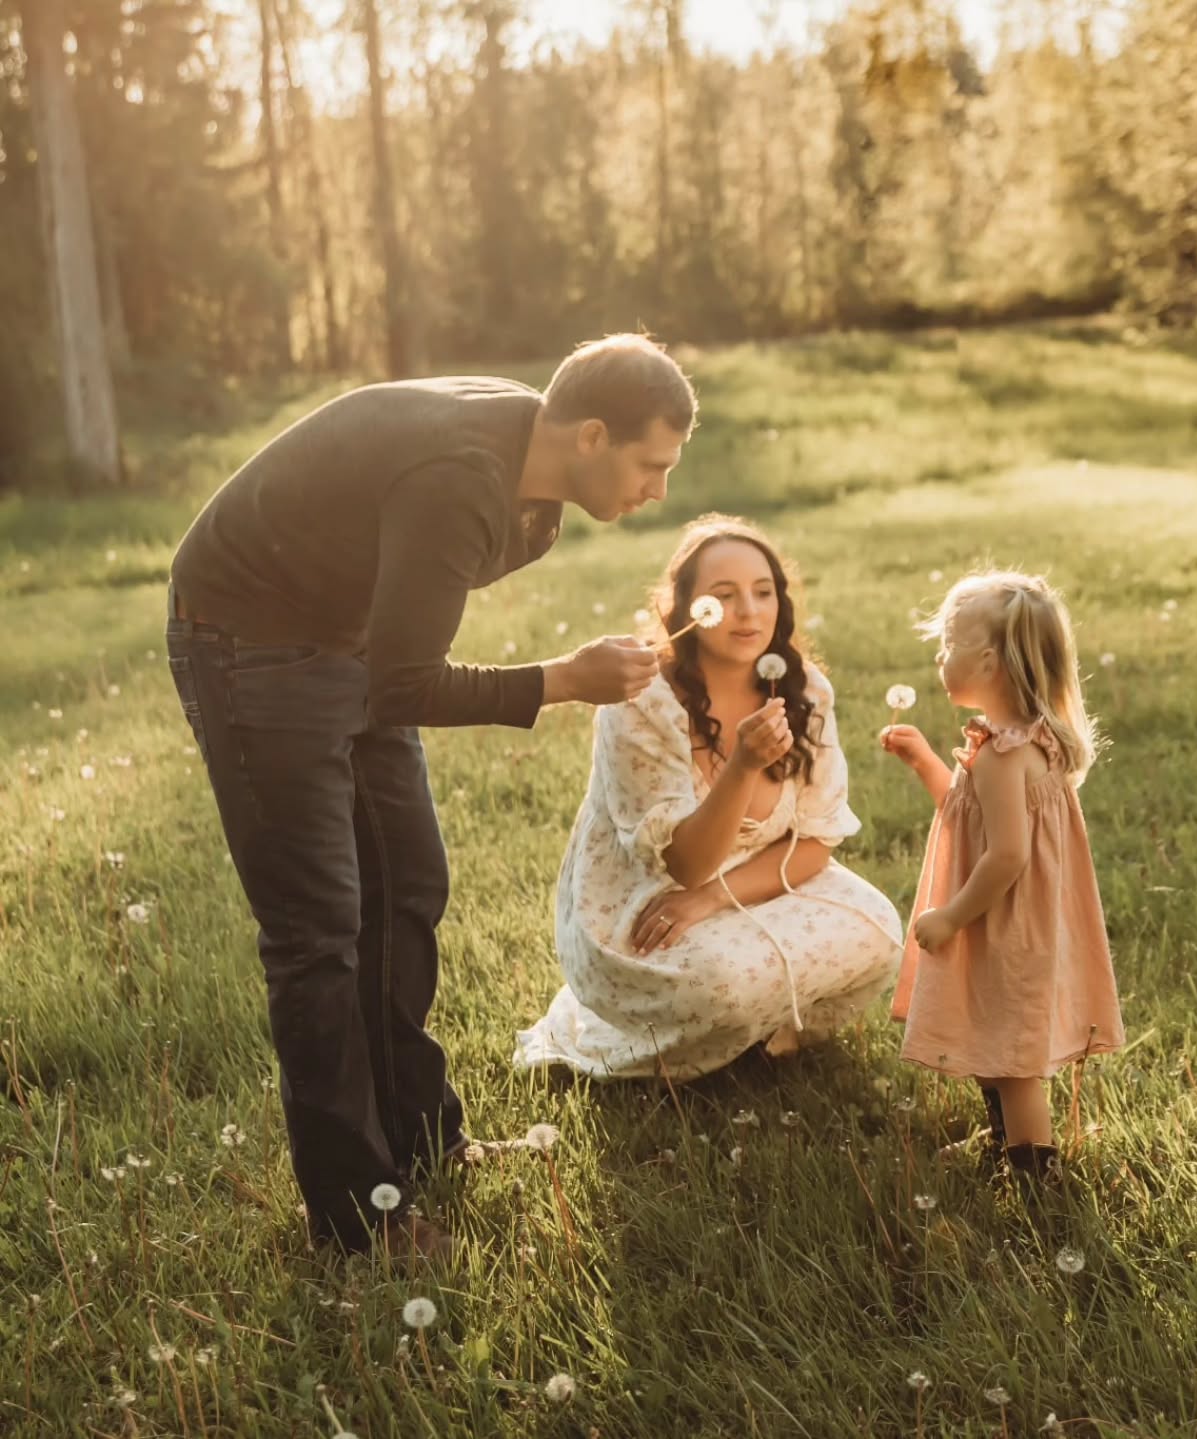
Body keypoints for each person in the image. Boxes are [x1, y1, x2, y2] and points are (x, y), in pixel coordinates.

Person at [164, 334, 695, 1258]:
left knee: (408, 883)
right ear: (594, 434)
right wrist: (563, 677)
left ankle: (418, 1138)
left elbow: (397, 646)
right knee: (318, 929)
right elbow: (410, 685)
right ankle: (357, 1216)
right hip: (248, 638)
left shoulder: (531, 479)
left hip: (346, 637)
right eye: (651, 466)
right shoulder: (464, 478)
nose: (659, 490)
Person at [515, 515, 902, 1080]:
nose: (749, 611)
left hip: (754, 879)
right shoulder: (641, 703)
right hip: (648, 900)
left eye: (763, 592)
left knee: (879, 928)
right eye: (724, 596)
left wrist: (714, 899)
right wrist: (743, 766)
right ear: (688, 609)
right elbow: (688, 866)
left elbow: (818, 841)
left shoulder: (806, 690)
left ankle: (765, 1035)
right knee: (722, 984)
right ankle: (699, 1037)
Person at [883, 569, 1124, 1184]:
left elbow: (1007, 855)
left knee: (1015, 1064)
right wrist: (926, 763)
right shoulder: (1030, 741)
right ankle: (1004, 1144)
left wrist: (950, 916)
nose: (940, 657)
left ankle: (1035, 1179)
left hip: (1001, 920)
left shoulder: (999, 756)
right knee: (997, 1037)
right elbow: (969, 818)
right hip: (1025, 919)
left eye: (948, 645)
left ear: (987, 662)